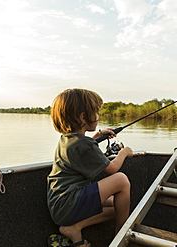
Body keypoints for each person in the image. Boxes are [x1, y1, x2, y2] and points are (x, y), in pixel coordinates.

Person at [47, 88, 133, 247]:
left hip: (59, 204)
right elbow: (112, 169)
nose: (98, 116)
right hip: (69, 203)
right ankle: (122, 236)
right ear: (83, 117)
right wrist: (123, 153)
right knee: (121, 180)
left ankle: (74, 227)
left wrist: (98, 135)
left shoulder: (68, 139)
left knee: (119, 205)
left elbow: (84, 147)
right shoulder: (83, 145)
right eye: (96, 112)